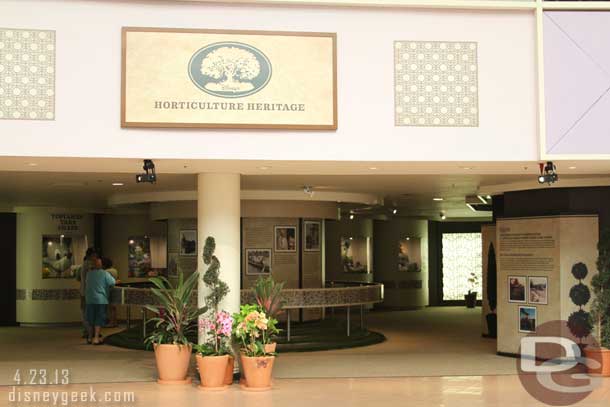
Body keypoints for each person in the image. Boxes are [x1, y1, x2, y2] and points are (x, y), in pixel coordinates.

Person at [86, 255, 116, 345]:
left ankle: (89, 337)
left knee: (91, 319)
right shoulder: (104, 273)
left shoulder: (89, 274)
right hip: (101, 300)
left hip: (89, 299)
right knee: (98, 319)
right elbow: (112, 283)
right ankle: (96, 338)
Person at [76, 248, 97, 338]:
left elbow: (79, 279)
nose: (96, 257)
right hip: (88, 293)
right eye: (94, 255)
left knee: (85, 312)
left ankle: (88, 332)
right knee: (87, 313)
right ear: (91, 255)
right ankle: (89, 332)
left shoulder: (84, 265)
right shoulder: (89, 265)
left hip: (84, 292)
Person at [101, 257, 119, 328]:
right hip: (115, 289)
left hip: (109, 290)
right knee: (113, 307)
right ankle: (115, 322)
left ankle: (111, 322)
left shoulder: (106, 272)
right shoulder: (114, 270)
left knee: (110, 308)